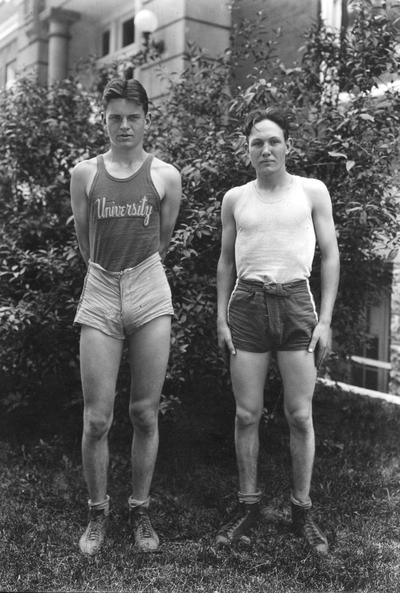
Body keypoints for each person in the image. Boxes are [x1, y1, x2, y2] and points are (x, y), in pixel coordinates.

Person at [216, 107, 340, 555]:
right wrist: (220, 318)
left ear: (288, 145)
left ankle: (301, 511)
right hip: (246, 307)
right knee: (246, 414)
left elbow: (330, 255)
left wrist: (324, 321)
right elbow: (227, 261)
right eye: (256, 142)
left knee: (300, 415)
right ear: (247, 149)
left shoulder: (312, 192)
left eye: (273, 141)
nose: (265, 149)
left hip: (296, 306)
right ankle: (248, 505)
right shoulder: (235, 198)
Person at [70, 77, 181, 557]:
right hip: (99, 287)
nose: (124, 125)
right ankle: (98, 512)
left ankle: (140, 508)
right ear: (104, 119)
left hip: (148, 287)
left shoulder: (165, 176)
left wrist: (135, 275)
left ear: (146, 119)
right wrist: (106, 275)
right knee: (97, 417)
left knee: (143, 411)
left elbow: (163, 238)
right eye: (114, 117)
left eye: (132, 117)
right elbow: (83, 236)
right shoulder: (84, 174)